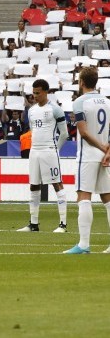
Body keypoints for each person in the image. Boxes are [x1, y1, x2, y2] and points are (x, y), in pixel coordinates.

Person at [63, 67, 110, 254]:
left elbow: (83, 133)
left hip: (89, 154)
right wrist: (108, 150)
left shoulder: (79, 103)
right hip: (105, 154)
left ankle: (83, 245)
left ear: (81, 82)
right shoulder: (107, 102)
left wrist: (101, 148)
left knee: (83, 197)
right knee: (107, 199)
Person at [18, 79, 68, 233]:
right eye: (33, 93)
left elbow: (64, 134)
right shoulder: (31, 111)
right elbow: (33, 131)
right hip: (35, 151)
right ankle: (33, 224)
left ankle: (63, 224)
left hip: (49, 151)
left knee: (57, 184)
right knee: (34, 185)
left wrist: (55, 150)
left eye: (38, 93)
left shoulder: (55, 109)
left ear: (46, 92)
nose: (35, 96)